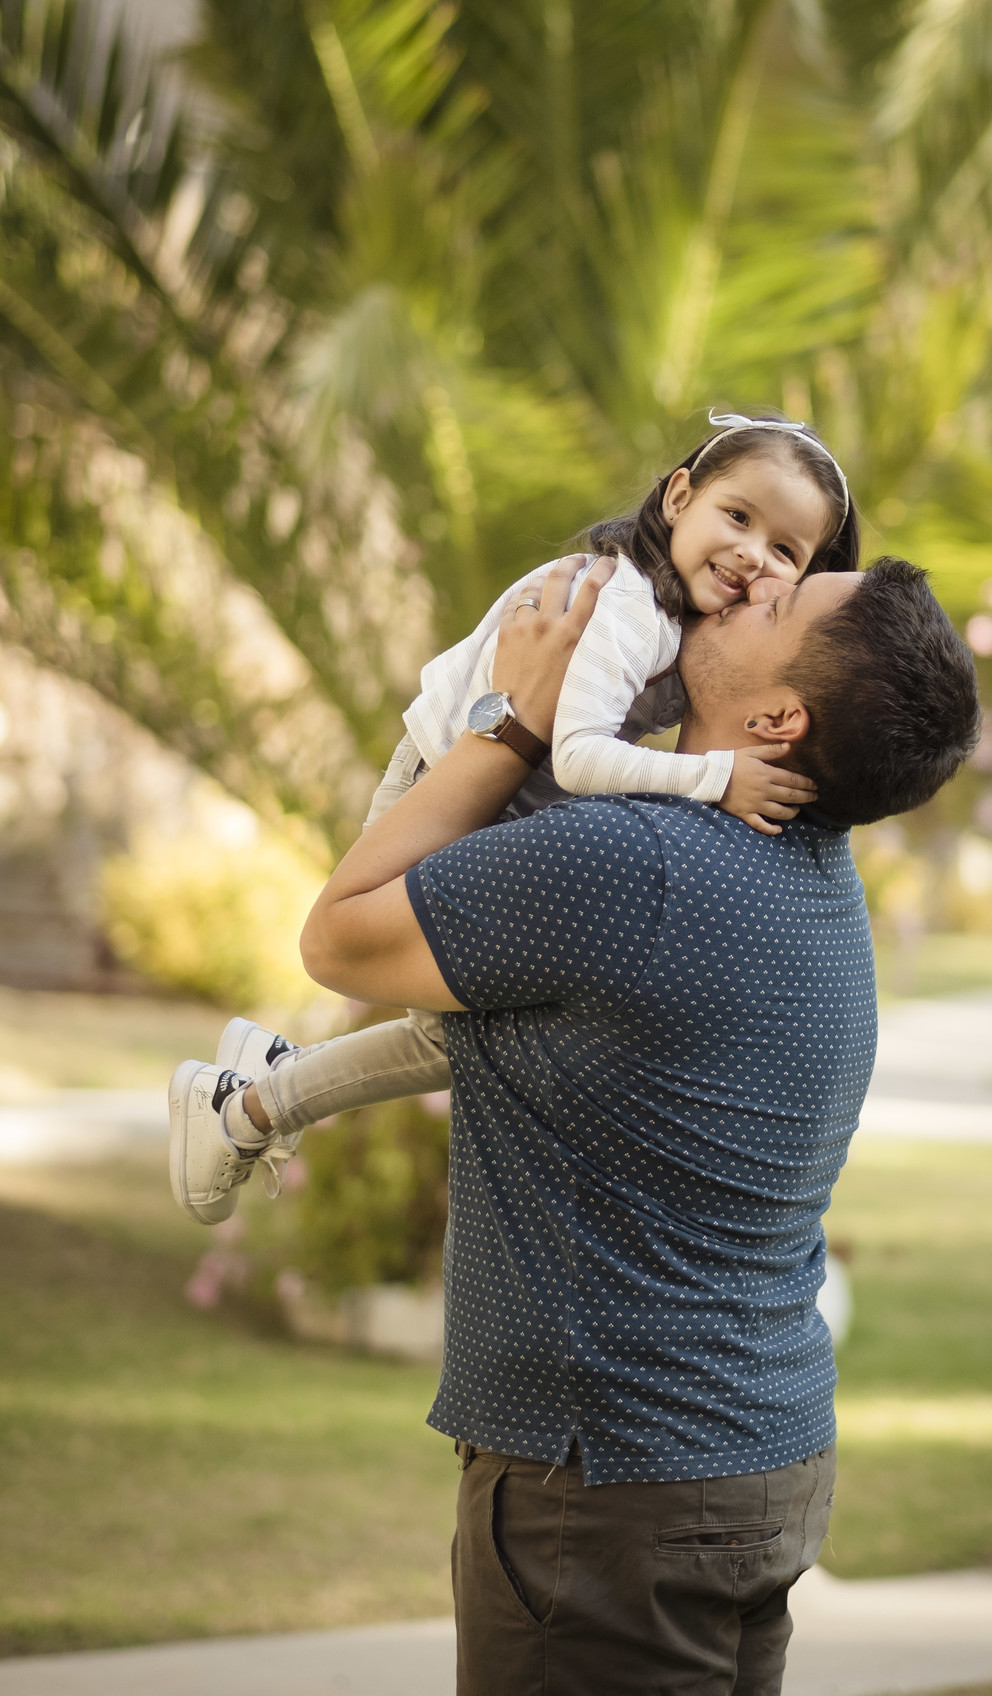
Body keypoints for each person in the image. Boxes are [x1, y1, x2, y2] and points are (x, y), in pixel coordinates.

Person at [216, 552, 979, 1695]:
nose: (737, 581)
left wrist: (514, 722)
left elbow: (337, 941)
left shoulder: (635, 868)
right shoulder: (818, 872)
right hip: (751, 1461)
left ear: (777, 718)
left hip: (609, 1488)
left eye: (771, 603)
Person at [169, 412, 861, 1222]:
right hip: (447, 775)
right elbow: (576, 756)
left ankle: (257, 1089)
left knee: (466, 1038)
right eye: (738, 517)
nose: (752, 555)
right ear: (679, 497)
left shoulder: (690, 620)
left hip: (516, 798)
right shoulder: (626, 606)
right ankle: (249, 1102)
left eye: (785, 551)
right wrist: (717, 777)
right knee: (451, 1034)